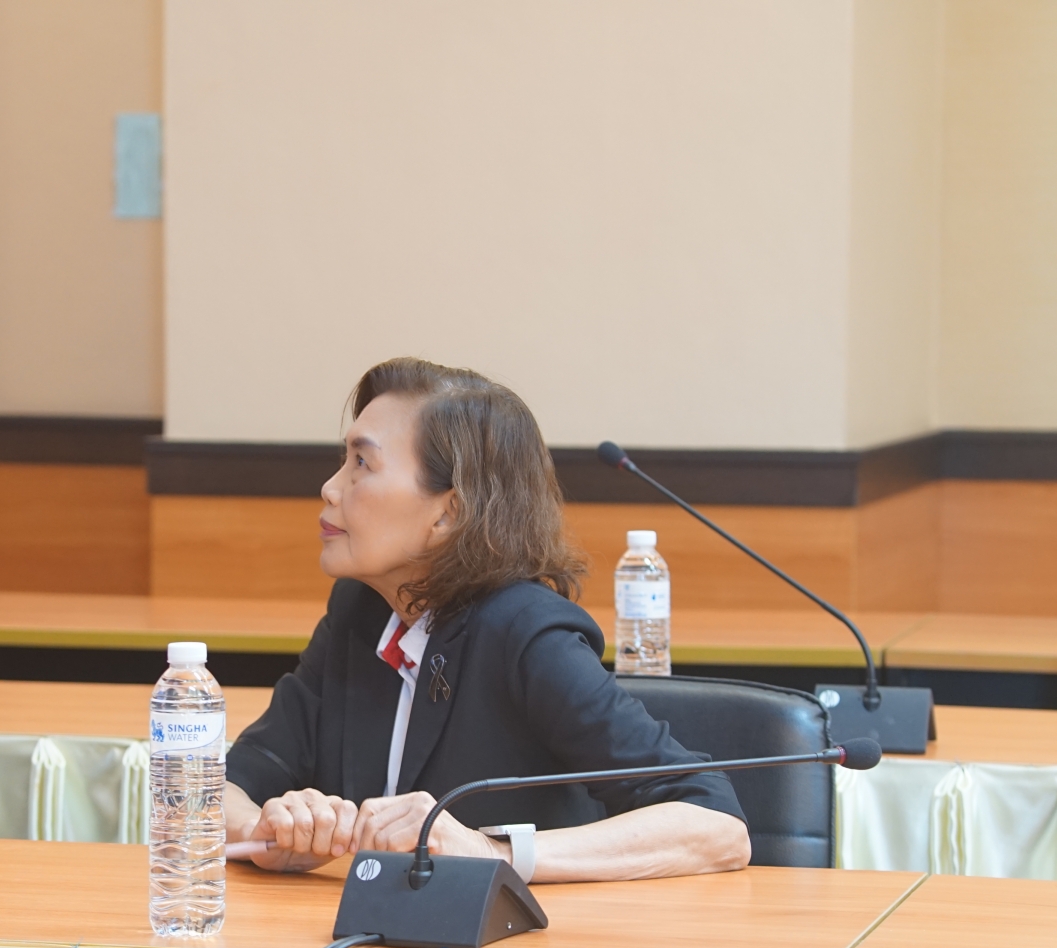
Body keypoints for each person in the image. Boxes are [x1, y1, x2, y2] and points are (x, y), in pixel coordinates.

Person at [224, 357, 751, 882]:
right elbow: (222, 786)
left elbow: (717, 825)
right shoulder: (361, 614)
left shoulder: (526, 634)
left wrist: (492, 852)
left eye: (362, 463)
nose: (331, 488)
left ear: (448, 513)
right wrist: (265, 830)